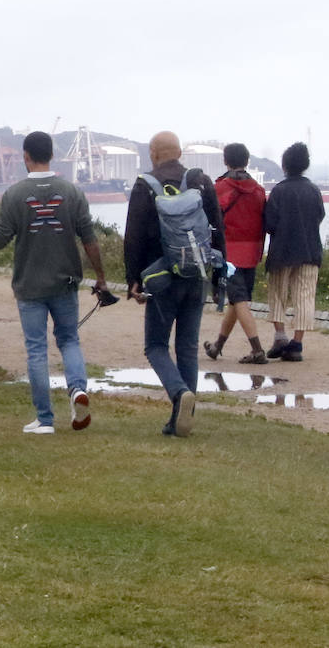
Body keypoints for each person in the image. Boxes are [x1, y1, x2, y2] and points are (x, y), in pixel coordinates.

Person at [0, 131, 109, 435]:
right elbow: (90, 240)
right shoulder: (72, 192)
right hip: (66, 282)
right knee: (69, 339)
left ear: (25, 156)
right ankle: (77, 391)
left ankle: (44, 420)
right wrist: (100, 277)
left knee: (36, 350)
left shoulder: (15, 195)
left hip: (29, 285)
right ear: (52, 156)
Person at [124, 130, 225, 437]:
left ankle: (179, 394)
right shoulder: (201, 181)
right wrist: (220, 276)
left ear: (153, 155)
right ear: (180, 153)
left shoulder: (145, 185)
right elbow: (217, 228)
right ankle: (182, 419)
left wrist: (133, 279)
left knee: (155, 346)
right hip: (197, 276)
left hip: (162, 277)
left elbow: (134, 236)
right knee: (187, 347)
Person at [204, 143, 269, 364]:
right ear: (247, 161)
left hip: (229, 253)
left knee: (239, 300)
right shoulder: (259, 191)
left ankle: (257, 349)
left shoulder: (220, 188)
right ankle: (217, 346)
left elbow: (209, 220)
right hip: (252, 252)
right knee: (237, 301)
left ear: (225, 160)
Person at [263, 142, 325, 362]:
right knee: (305, 296)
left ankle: (280, 336)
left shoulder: (279, 191)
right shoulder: (314, 190)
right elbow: (319, 216)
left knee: (277, 294)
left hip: (282, 252)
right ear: (306, 165)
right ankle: (297, 343)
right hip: (310, 250)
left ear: (284, 166)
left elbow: (269, 223)